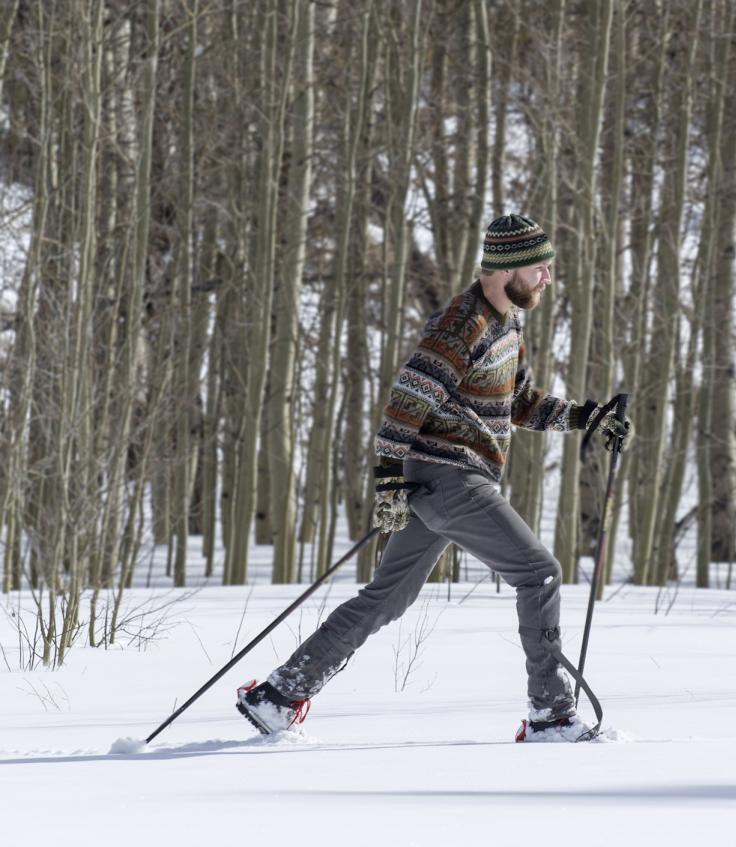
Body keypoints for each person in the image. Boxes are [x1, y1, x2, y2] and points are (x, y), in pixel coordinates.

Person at [237, 214, 632, 742]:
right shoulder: (460, 326)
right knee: (538, 573)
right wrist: (388, 482)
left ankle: (281, 694)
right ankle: (552, 714)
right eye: (540, 268)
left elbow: (517, 401)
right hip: (449, 477)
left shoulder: (509, 324)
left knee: (387, 597)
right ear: (506, 268)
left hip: (447, 480)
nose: (548, 280)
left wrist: (588, 416)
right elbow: (405, 404)